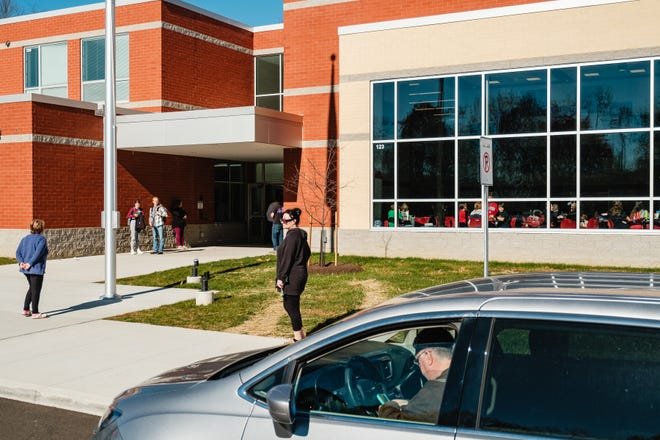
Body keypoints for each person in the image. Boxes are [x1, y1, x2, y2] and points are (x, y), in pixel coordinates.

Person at [378, 328, 453, 423]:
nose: (419, 366)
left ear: (427, 356)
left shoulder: (434, 391)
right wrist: (410, 404)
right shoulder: (465, 372)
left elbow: (398, 425)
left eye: (417, 360)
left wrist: (389, 406)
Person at [276, 208, 311, 342]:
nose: (283, 222)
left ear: (294, 221)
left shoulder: (293, 236)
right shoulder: (299, 235)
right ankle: (301, 334)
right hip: (299, 273)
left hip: (293, 275)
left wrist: (281, 277)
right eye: (282, 219)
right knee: (291, 304)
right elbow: (307, 253)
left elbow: (287, 258)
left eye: (286, 220)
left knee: (291, 305)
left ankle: (298, 339)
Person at [16, 219, 49, 319]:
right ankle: (35, 312)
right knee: (36, 291)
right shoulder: (41, 239)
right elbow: (38, 253)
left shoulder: (25, 238)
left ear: (31, 227)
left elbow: (18, 252)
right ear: (42, 228)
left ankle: (26, 310)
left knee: (32, 288)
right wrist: (29, 264)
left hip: (26, 269)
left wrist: (21, 262)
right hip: (36, 269)